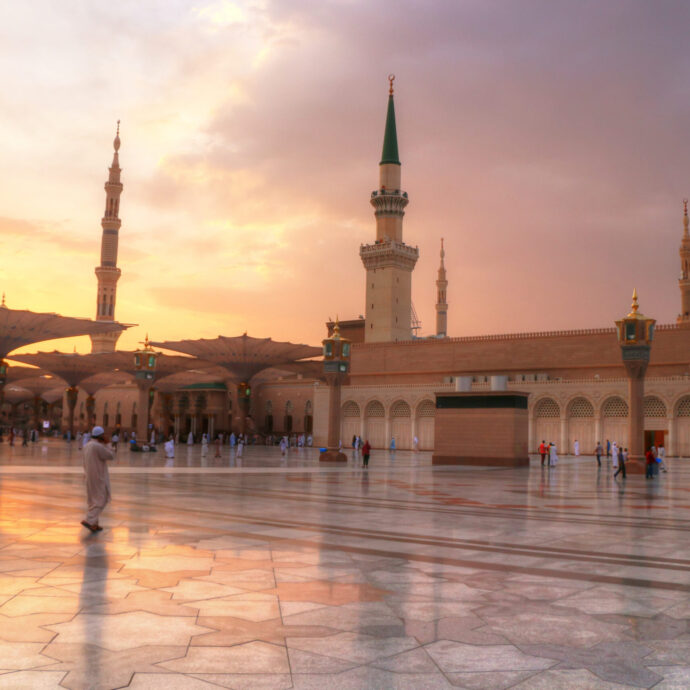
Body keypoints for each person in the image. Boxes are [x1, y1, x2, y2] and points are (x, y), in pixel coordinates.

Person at [81, 426, 115, 533]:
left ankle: (95, 524)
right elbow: (111, 455)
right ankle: (90, 520)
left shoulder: (87, 445)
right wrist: (108, 444)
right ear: (101, 436)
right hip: (98, 477)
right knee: (101, 499)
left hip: (89, 476)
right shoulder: (97, 446)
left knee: (93, 500)